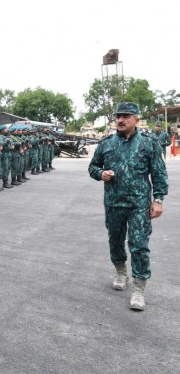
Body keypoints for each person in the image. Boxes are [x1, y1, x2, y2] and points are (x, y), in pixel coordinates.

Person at [88, 102, 168, 311]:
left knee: (139, 244)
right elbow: (93, 166)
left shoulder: (149, 143)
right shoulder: (106, 144)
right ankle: (121, 272)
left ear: (136, 119)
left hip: (139, 204)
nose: (121, 120)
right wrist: (100, 174)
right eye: (118, 116)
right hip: (114, 203)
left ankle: (139, 288)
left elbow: (159, 173)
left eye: (126, 116)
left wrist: (158, 200)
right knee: (115, 240)